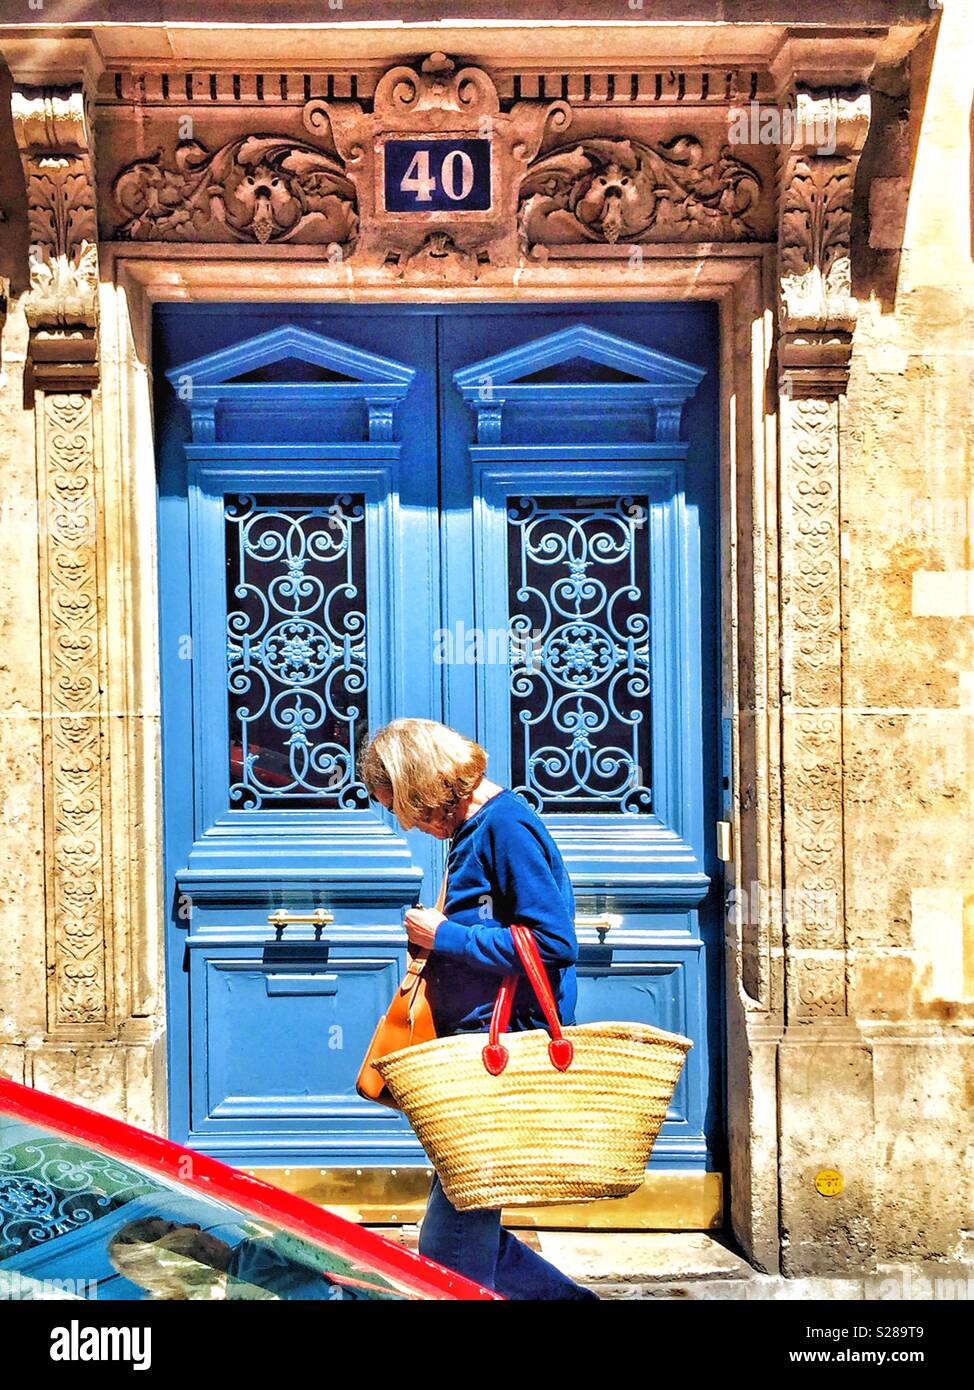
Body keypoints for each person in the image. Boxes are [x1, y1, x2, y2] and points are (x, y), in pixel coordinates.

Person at [357, 717, 599, 1302]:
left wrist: (447, 939)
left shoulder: (506, 825)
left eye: (409, 808)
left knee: (448, 1244)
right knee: (463, 1229)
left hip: (501, 1054)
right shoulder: (473, 829)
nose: (413, 825)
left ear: (425, 784)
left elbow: (552, 942)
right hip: (473, 1058)